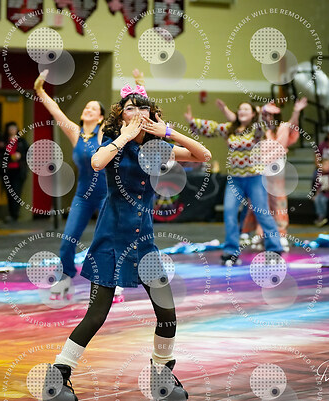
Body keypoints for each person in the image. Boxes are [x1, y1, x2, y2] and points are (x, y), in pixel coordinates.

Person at [45, 85, 211, 400]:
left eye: (142, 107)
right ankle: (57, 376)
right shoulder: (113, 142)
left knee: (167, 313)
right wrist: (123, 137)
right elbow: (97, 162)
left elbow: (204, 156)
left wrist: (168, 132)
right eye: (129, 108)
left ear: (151, 114)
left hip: (144, 245)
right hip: (110, 242)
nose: (136, 112)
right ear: (121, 116)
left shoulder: (158, 148)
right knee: (96, 315)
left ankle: (161, 375)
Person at [34, 70, 108, 301]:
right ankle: (65, 279)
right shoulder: (76, 133)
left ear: (101, 118)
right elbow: (56, 112)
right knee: (68, 241)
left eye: (93, 108)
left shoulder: (103, 134)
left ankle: (112, 283)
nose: (88, 109)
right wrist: (40, 91)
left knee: (106, 240)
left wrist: (138, 87)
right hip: (83, 197)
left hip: (106, 196)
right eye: (86, 107)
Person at [186, 102, 284, 265]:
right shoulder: (230, 128)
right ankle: (231, 251)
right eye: (240, 109)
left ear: (253, 114)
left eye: (246, 109)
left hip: (254, 178)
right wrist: (192, 121)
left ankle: (274, 249)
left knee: (262, 213)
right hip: (235, 180)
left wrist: (264, 111)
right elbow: (212, 127)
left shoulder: (256, 129)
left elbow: (267, 124)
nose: (242, 111)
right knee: (229, 213)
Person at [238, 97, 308, 252]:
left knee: (278, 200)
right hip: (261, 168)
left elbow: (292, 127)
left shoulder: (282, 127)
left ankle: (281, 234)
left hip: (276, 168)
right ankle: (261, 234)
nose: (268, 117)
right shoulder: (262, 130)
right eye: (266, 115)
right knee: (259, 201)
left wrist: (296, 111)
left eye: (271, 115)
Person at [2, 122, 29, 223]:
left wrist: (20, 156)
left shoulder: (21, 141)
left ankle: (15, 214)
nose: (12, 130)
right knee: (9, 192)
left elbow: (28, 153)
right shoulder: (4, 141)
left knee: (16, 192)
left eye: (14, 128)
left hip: (19, 170)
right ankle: (11, 213)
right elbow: (1, 155)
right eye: (10, 128)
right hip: (8, 170)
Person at [312, 159, 329, 227]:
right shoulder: (319, 173)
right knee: (317, 200)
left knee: (323, 200)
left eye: (328, 165)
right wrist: (316, 195)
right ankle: (319, 215)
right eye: (325, 165)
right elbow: (318, 186)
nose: (327, 167)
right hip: (322, 192)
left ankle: (322, 216)